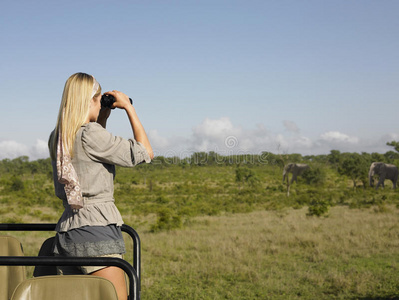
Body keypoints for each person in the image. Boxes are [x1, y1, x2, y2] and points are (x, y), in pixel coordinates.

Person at [48, 72, 154, 300]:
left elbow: (93, 150)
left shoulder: (57, 136)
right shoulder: (90, 134)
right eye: (98, 100)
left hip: (67, 233)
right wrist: (128, 108)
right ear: (89, 100)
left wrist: (103, 115)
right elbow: (144, 152)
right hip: (98, 232)